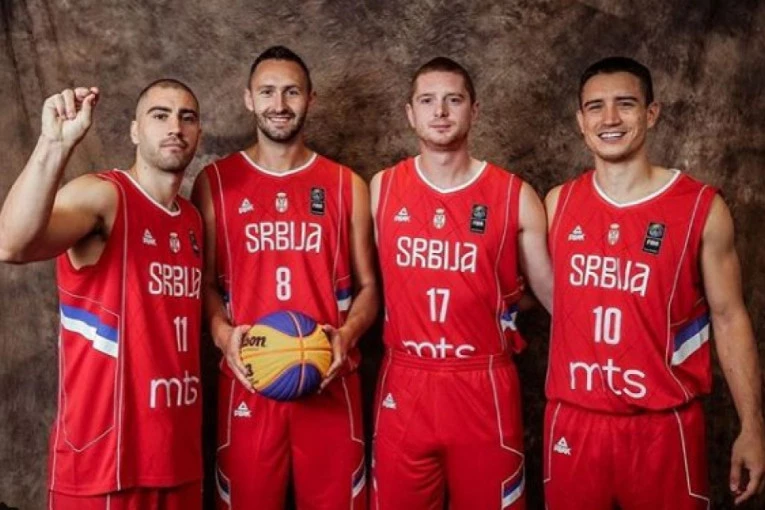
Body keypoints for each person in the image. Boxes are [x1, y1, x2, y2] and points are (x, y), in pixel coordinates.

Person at [543, 56, 765, 509]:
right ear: (580, 120)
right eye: (596, 107)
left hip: (664, 428)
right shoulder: (556, 205)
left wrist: (752, 425)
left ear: (651, 113)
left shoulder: (701, 207)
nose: (609, 119)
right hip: (574, 422)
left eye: (625, 104)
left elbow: (729, 317)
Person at [0, 80, 205, 509]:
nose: (175, 127)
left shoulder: (191, 220)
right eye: (160, 115)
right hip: (103, 463)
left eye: (187, 117)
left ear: (198, 133)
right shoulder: (105, 195)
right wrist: (53, 145)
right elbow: (10, 244)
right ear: (134, 130)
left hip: (178, 459)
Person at [192, 45, 378, 510]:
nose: (280, 104)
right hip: (249, 380)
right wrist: (222, 335)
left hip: (330, 379)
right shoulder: (214, 183)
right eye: (267, 92)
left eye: (292, 92)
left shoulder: (346, 185)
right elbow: (205, 284)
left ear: (310, 99)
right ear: (248, 99)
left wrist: (348, 335)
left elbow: (370, 288)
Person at [369, 56, 552, 510]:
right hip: (405, 379)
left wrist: (491, 304)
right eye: (427, 101)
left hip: (482, 381)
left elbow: (554, 299)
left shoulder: (515, 195)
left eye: (453, 100)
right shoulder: (380, 190)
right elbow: (365, 285)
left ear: (475, 109)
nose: (440, 111)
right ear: (410, 113)